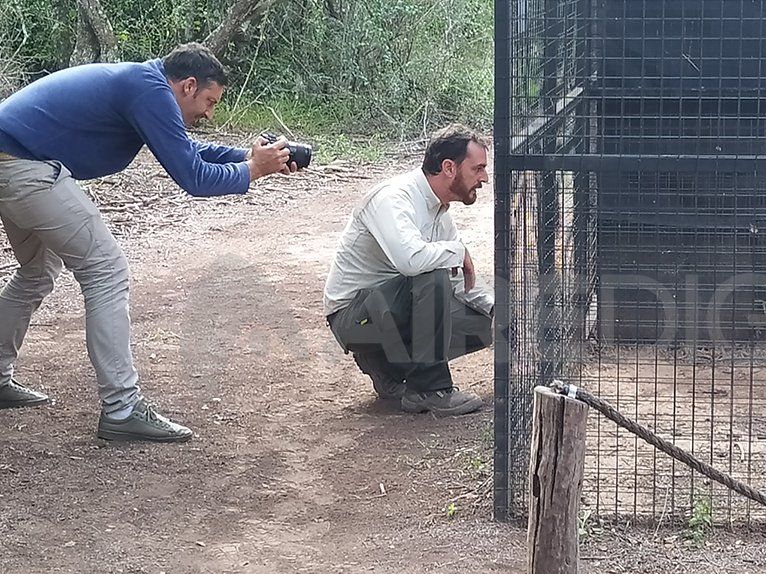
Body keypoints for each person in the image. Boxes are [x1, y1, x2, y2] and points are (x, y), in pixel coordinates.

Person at [0, 42, 298, 443]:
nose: (208, 114)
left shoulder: (144, 85)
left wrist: (253, 158)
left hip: (12, 158)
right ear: (188, 86)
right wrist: (252, 170)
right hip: (22, 167)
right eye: (209, 102)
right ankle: (122, 408)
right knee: (106, 270)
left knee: (37, 272)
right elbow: (192, 177)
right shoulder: (149, 89)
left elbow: (188, 150)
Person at [324, 123, 493, 416]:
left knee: (482, 325)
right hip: (353, 320)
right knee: (431, 273)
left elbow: (459, 281)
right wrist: (457, 251)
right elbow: (411, 261)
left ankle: (388, 368)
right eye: (477, 169)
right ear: (449, 167)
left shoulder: (438, 209)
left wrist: (498, 312)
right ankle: (430, 389)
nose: (485, 178)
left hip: (390, 310)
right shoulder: (394, 198)